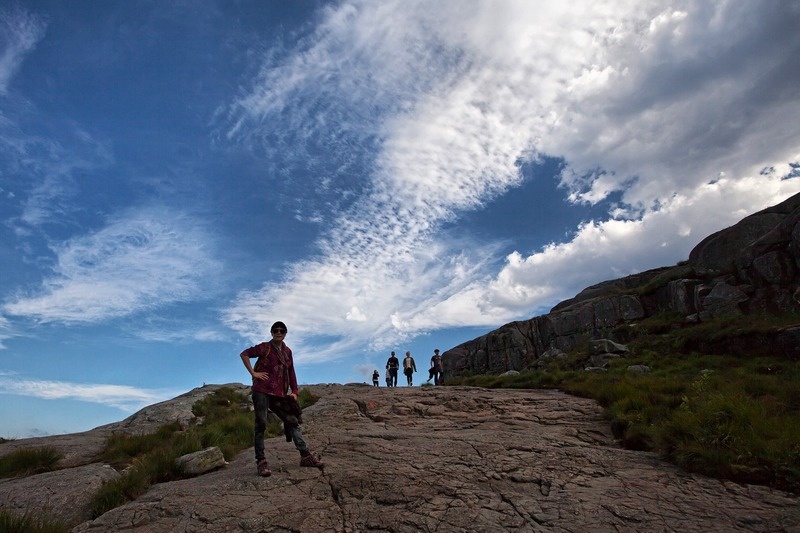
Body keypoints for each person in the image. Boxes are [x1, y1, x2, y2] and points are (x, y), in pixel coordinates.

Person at [239, 321, 324, 477]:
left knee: (292, 420)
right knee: (261, 423)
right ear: (272, 332)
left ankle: (305, 456)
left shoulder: (287, 351)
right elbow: (244, 354)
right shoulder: (265, 347)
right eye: (275, 330)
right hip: (261, 391)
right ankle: (261, 462)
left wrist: (295, 391)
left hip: (278, 393)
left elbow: (291, 371)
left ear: (285, 333)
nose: (279, 332)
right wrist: (253, 373)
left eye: (282, 330)